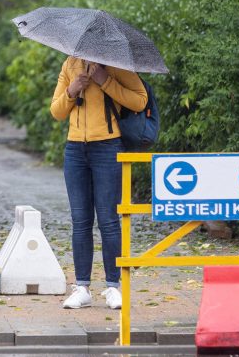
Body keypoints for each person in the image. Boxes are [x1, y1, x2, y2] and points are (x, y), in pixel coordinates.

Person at [50, 56, 147, 310]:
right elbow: (56, 111)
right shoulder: (70, 65)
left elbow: (140, 99)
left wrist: (105, 81)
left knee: (109, 220)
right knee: (80, 220)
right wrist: (72, 90)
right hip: (75, 150)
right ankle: (81, 287)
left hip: (108, 147)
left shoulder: (116, 63)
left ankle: (113, 286)